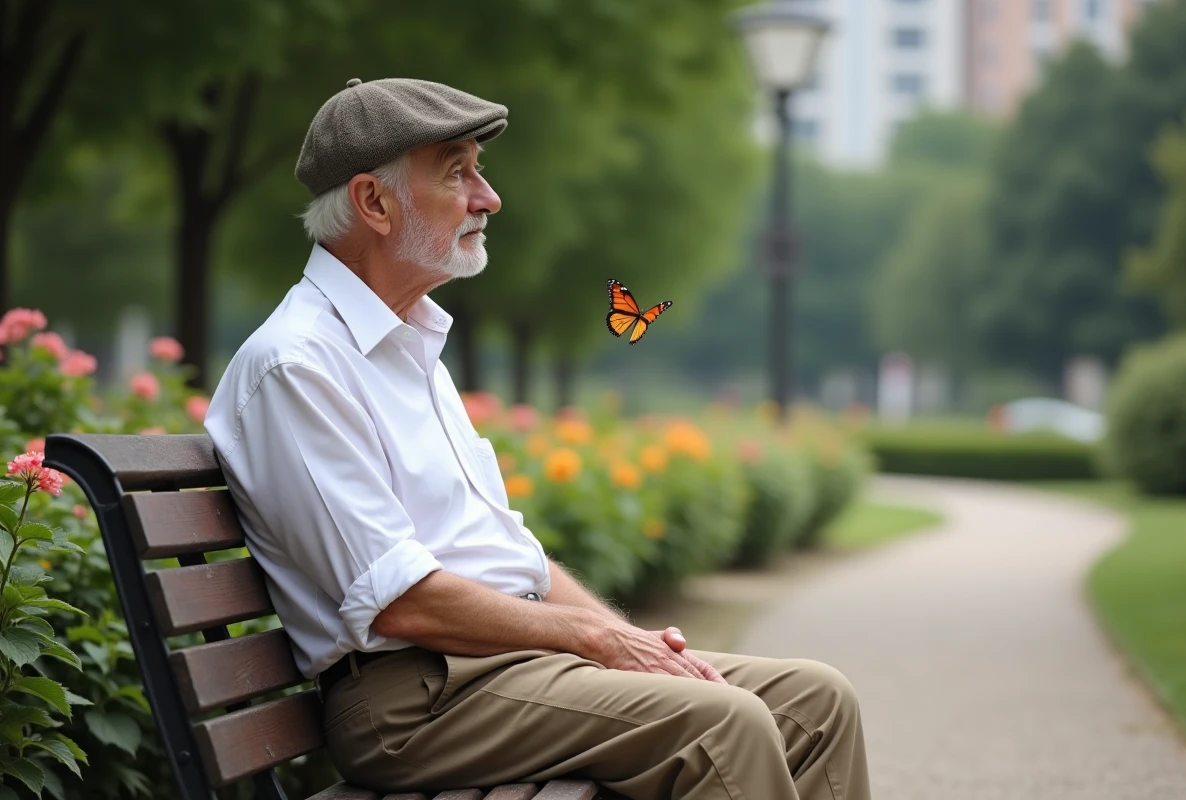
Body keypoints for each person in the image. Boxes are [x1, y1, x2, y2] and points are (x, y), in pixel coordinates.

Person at [204, 77, 871, 800]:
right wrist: (595, 640)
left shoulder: (407, 347)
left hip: (502, 668)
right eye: (456, 171)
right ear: (373, 202)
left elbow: (507, 553)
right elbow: (401, 603)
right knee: (724, 724)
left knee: (817, 702)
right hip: (415, 701)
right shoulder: (298, 365)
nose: (487, 198)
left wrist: (631, 644)